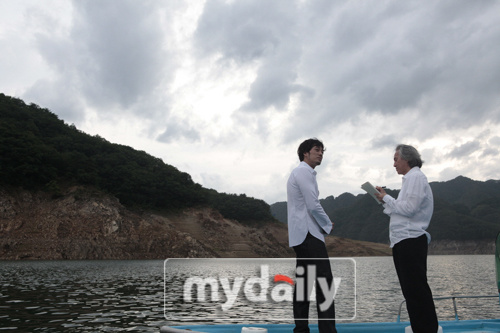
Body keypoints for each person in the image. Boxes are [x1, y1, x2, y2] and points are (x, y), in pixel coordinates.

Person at [375, 144, 439, 333]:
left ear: (407, 159)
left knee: (416, 290)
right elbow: (403, 210)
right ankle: (422, 328)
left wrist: (387, 198)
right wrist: (384, 199)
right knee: (411, 291)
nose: (394, 164)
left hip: (411, 240)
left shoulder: (416, 177)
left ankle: (426, 329)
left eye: (396, 159)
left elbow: (409, 209)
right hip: (404, 240)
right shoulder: (410, 180)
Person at [287, 138, 337, 333]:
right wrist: (326, 225)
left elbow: (308, 206)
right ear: (305, 153)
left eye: (322, 151)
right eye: (317, 150)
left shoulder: (301, 172)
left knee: (304, 284)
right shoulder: (303, 172)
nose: (321, 153)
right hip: (309, 235)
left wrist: (323, 224)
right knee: (325, 283)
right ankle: (327, 330)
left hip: (302, 235)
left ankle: (301, 329)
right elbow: (313, 204)